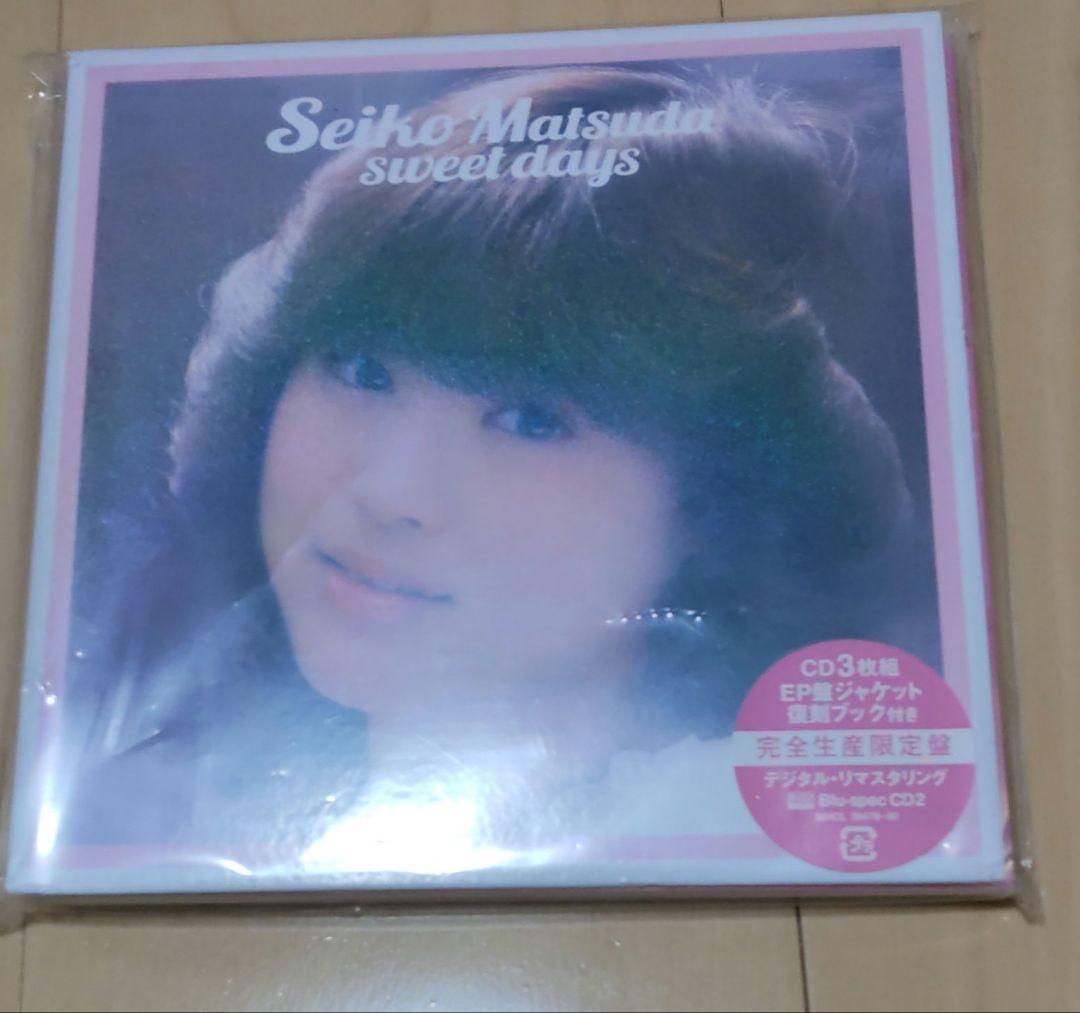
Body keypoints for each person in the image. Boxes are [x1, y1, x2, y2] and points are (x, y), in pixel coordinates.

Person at [59, 66, 909, 873]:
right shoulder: (128, 803)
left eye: (532, 419)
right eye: (362, 369)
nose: (390, 494)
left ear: (714, 497)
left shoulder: (773, 827)